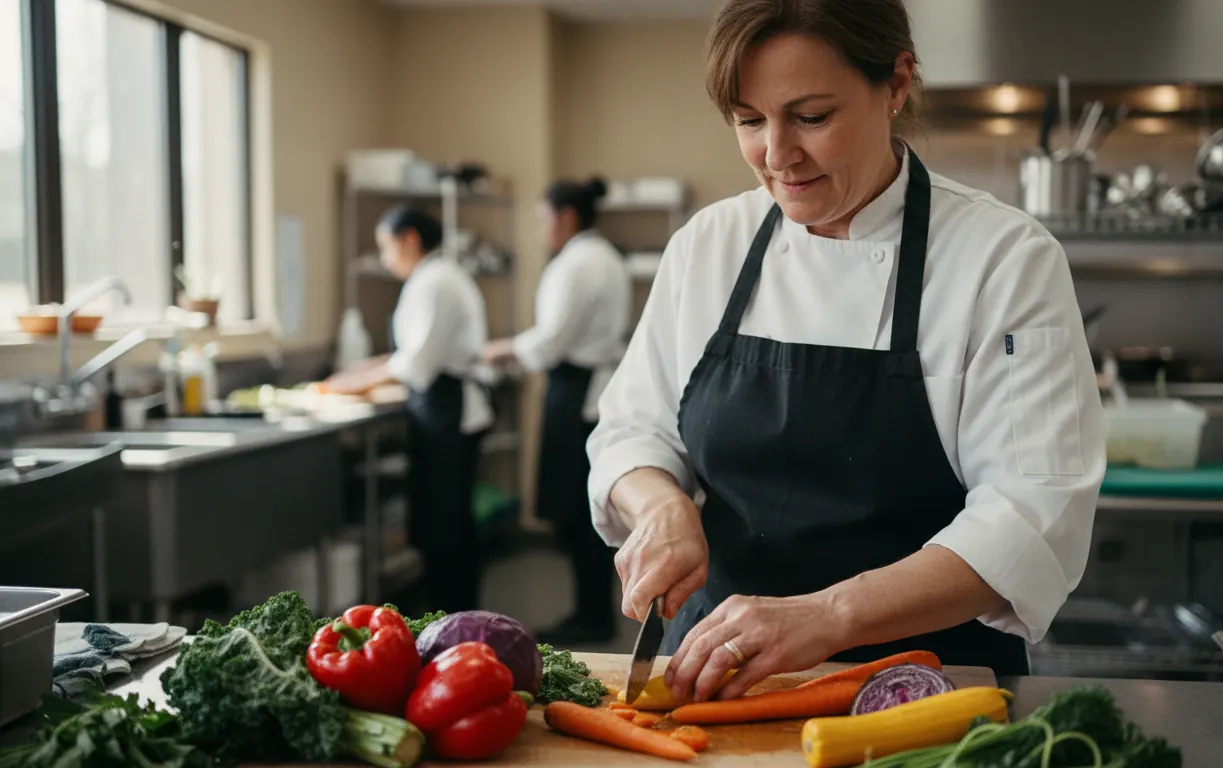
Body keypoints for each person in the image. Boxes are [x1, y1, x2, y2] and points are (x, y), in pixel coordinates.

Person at [585, 0, 1106, 703]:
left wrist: (829, 616)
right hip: (715, 683)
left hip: (926, 694)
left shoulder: (1003, 259)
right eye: (748, 120)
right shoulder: (709, 245)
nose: (777, 155)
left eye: (811, 117)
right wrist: (661, 507)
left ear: (896, 84)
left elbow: (1029, 515)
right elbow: (631, 430)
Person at [482, 177, 632, 646]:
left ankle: (591, 617)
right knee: (581, 507)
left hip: (578, 387)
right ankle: (590, 610)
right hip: (589, 384)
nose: (542, 228)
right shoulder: (604, 255)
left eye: (544, 217)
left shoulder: (578, 262)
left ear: (566, 215)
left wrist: (497, 349)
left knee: (577, 510)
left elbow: (550, 340)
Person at [324, 204, 494, 615]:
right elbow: (409, 353)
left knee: (445, 526)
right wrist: (360, 371)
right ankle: (453, 614)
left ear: (411, 239)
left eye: (386, 247)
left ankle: (452, 618)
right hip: (442, 405)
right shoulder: (435, 277)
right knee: (446, 521)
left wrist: (352, 382)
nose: (385, 258)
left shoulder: (435, 281)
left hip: (448, 407)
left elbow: (416, 362)